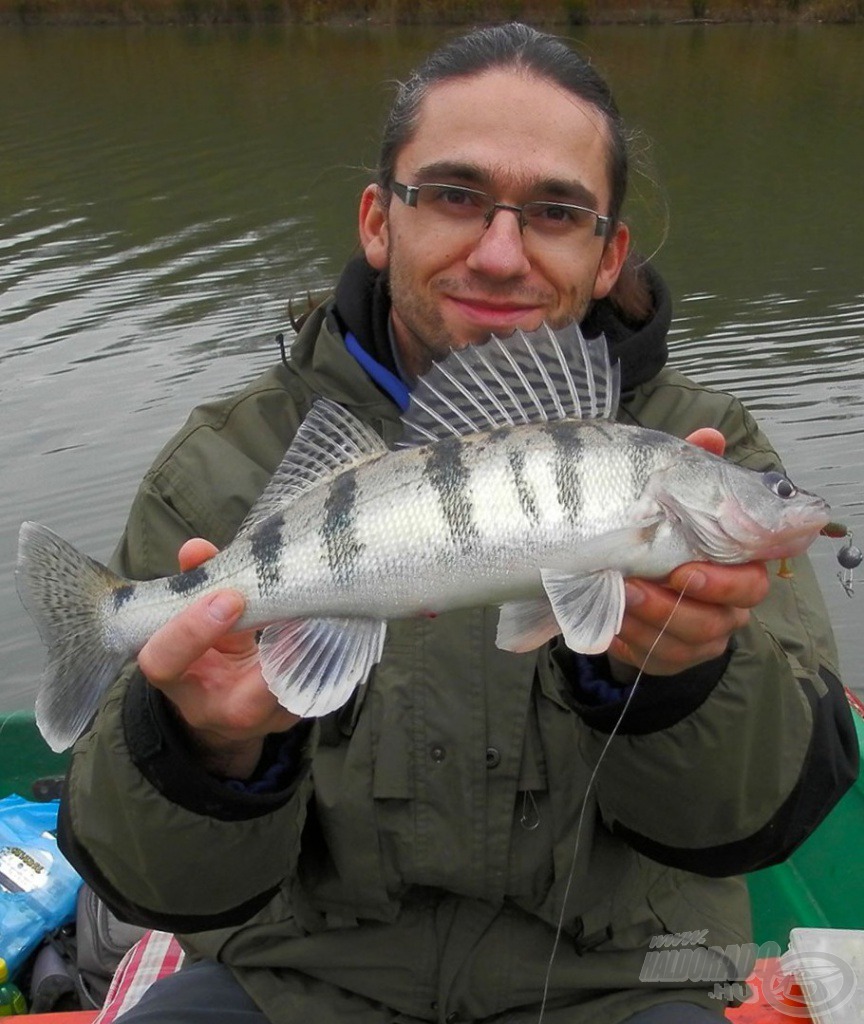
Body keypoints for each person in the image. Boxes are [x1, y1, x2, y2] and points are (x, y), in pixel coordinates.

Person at [58, 22, 857, 1024]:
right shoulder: (227, 461)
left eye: (556, 212)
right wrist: (201, 746)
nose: (500, 252)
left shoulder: (701, 442)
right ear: (378, 221)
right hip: (301, 985)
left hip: (619, 986)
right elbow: (151, 887)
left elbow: (765, 819)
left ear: (609, 254)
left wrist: (677, 681)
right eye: (454, 196)